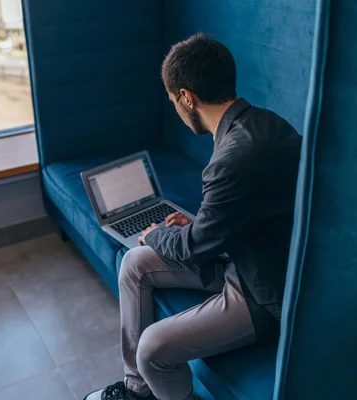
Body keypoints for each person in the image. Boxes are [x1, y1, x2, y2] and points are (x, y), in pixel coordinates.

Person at [84, 33, 302, 400]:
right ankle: (138, 389)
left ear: (187, 96)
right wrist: (201, 224)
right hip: (247, 253)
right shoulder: (268, 123)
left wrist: (154, 232)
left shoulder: (232, 159)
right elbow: (249, 210)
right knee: (134, 264)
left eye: (174, 100)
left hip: (263, 291)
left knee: (152, 348)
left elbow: (195, 248)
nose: (176, 107)